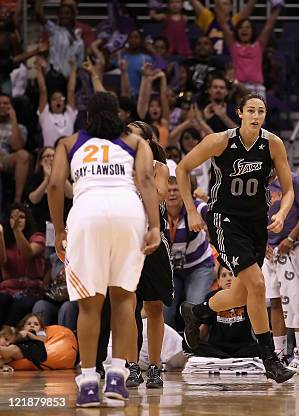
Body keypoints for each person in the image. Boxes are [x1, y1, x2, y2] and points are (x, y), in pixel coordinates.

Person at [48, 91, 161, 407]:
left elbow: (56, 185)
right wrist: (155, 225)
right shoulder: (136, 143)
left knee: (89, 305)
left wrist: (59, 230)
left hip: (87, 213)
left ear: (87, 117)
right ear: (119, 116)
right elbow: (146, 180)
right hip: (127, 212)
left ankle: (87, 382)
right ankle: (116, 376)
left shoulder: (69, 143)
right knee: (124, 299)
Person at [175, 92, 295, 383]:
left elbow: (289, 190)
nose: (256, 116)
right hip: (225, 220)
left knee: (242, 294)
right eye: (251, 110)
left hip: (256, 223)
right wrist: (191, 210)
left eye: (261, 111)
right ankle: (270, 359)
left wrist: (281, 214)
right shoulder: (220, 141)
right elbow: (182, 168)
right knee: (257, 283)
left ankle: (198, 312)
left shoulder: (273, 144)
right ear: (239, 113)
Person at [124, 121, 172, 389]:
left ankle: (154, 367)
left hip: (152, 243)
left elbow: (159, 196)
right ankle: (132, 366)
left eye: (133, 135)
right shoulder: (116, 169)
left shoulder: (159, 168)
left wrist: (139, 174)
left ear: (146, 142)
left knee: (154, 307)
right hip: (125, 243)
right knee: (127, 307)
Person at [262, 172, 299, 374]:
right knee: (275, 300)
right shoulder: (256, 183)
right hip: (270, 249)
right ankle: (279, 353)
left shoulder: (291, 179)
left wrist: (291, 238)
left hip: (298, 244)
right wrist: (261, 242)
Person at [162, 176, 216, 329]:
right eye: (169, 190)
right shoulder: (156, 212)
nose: (172, 194)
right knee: (165, 313)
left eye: (176, 190)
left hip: (199, 266)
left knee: (195, 310)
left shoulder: (195, 208)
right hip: (170, 268)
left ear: (184, 192)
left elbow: (212, 214)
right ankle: (170, 350)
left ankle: (196, 349)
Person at [181, 266, 259, 358]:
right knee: (187, 344)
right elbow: (205, 328)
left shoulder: (246, 295)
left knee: (267, 343)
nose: (228, 278)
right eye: (224, 275)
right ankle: (228, 358)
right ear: (218, 281)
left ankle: (226, 359)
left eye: (231, 275)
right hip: (217, 348)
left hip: (242, 347)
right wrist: (194, 341)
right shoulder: (211, 297)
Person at [219, 3, 283, 96]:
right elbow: (223, 25)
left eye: (247, 27)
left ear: (252, 30)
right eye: (241, 27)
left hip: (257, 89)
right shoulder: (233, 46)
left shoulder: (259, 46)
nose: (244, 30)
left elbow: (269, 25)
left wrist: (278, 6)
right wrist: (221, 8)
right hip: (239, 88)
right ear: (237, 31)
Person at [0, 204, 46, 326]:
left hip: (31, 290)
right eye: (13, 217)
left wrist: (16, 231)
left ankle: (8, 336)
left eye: (21, 217)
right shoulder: (4, 239)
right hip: (8, 289)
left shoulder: (38, 238)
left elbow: (28, 254)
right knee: (3, 299)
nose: (17, 220)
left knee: (20, 304)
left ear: (27, 220)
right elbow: (2, 261)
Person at [34, 57, 78, 148]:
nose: (58, 101)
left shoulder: (70, 115)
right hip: (50, 155)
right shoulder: (45, 115)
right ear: (49, 103)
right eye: (54, 99)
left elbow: (71, 91)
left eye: (61, 98)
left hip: (67, 156)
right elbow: (43, 91)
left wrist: (73, 68)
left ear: (65, 102)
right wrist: (38, 70)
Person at [0, 93, 31, 203]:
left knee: (23, 155)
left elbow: (17, 146)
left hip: (6, 158)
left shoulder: (19, 127)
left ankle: (17, 201)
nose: (2, 106)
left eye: (6, 103)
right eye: (0, 103)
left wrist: (13, 119)